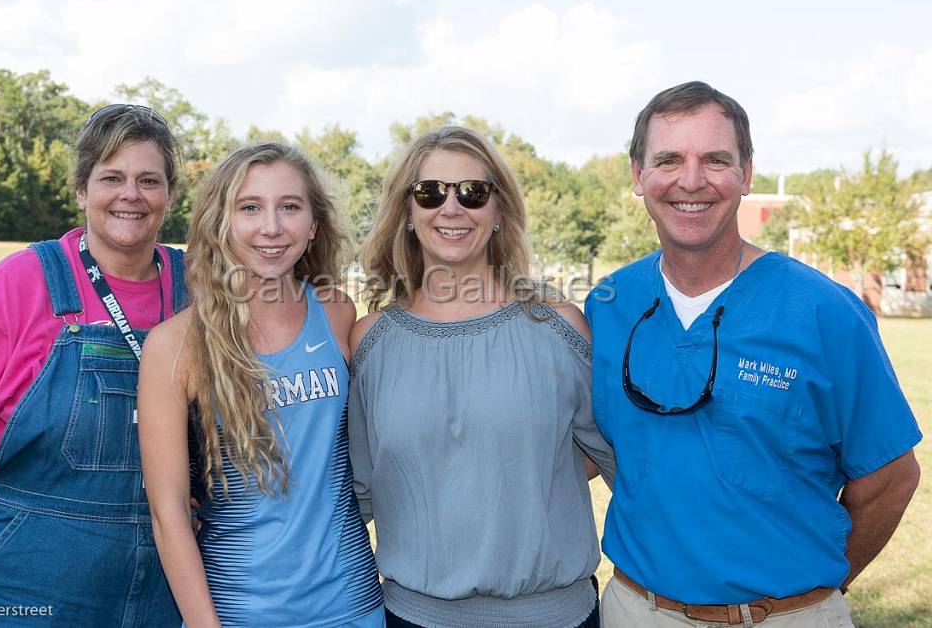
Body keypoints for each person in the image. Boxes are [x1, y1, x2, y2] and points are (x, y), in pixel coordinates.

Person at [585, 81, 922, 627]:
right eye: (668, 159)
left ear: (746, 174)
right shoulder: (609, 304)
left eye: (716, 159)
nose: (690, 181)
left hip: (785, 615)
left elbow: (891, 477)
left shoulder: (822, 311)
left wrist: (809, 598)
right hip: (633, 610)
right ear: (637, 175)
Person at [0, 104, 186, 625]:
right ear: (82, 191)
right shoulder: (16, 288)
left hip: (163, 583)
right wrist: (40, 515)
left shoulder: (199, 292)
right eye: (112, 177)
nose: (131, 194)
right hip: (28, 577)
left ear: (169, 195)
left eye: (148, 180)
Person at [348, 126, 616, 628]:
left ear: (498, 210)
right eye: (430, 193)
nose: (451, 209)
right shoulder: (370, 343)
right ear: (407, 212)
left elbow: (615, 457)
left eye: (472, 193)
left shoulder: (558, 326)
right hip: (412, 617)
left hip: (555, 618)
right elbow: (362, 484)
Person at [137, 142, 385, 627]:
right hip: (238, 612)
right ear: (220, 221)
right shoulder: (174, 346)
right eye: (249, 207)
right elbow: (168, 516)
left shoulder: (336, 313)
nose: (271, 227)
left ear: (313, 225)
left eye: (289, 207)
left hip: (352, 605)